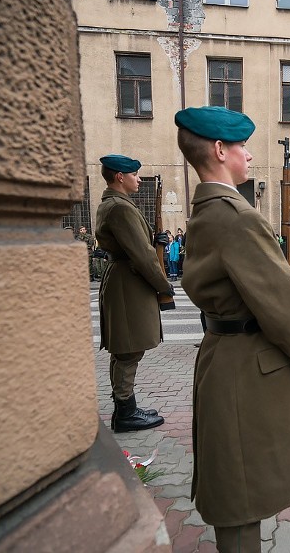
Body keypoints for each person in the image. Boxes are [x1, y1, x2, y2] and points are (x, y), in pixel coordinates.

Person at [175, 106, 290, 551]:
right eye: (241, 145)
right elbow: (285, 311)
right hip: (246, 368)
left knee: (236, 487)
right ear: (220, 150)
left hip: (223, 357)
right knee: (241, 502)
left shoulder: (207, 210)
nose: (247, 153)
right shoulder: (238, 216)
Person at [95, 154, 170, 433]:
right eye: (135, 175)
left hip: (124, 279)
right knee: (128, 350)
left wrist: (154, 239)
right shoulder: (120, 208)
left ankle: (126, 407)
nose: (139, 179)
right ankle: (125, 413)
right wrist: (163, 284)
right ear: (120, 177)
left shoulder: (113, 205)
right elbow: (142, 256)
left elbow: (133, 244)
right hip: (129, 281)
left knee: (126, 350)